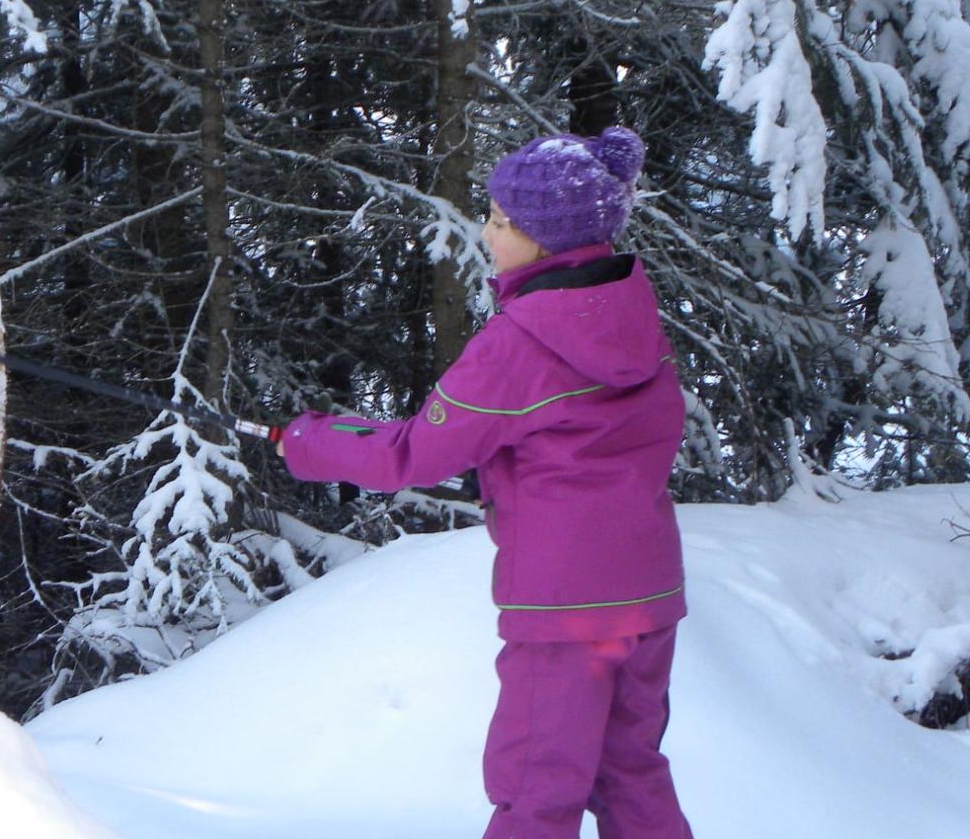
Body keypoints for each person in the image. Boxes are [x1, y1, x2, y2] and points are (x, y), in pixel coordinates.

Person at [275, 127, 693, 839]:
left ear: (546, 240)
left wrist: (307, 440)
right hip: (648, 593)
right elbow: (606, 437)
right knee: (631, 773)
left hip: (565, 607)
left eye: (502, 222)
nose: (486, 232)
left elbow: (408, 455)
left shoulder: (522, 341)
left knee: (537, 788)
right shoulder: (631, 310)